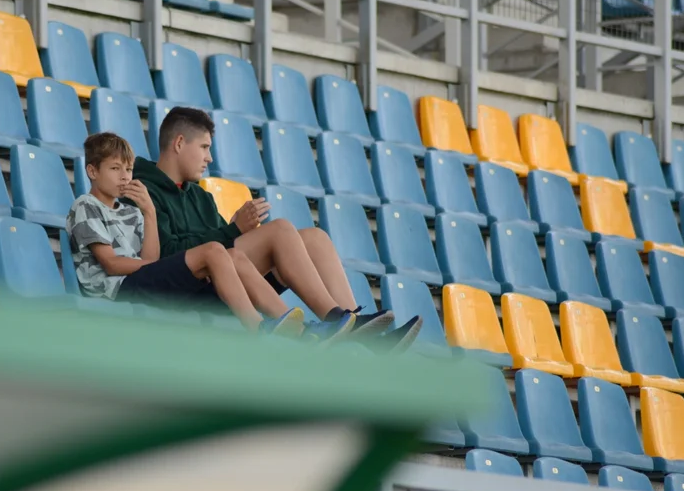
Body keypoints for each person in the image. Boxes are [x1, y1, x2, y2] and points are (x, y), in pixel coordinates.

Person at [131, 106, 421, 348]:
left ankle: (356, 327)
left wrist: (237, 231)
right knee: (280, 229)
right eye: (204, 147)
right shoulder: (143, 189)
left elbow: (222, 244)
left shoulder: (201, 196)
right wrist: (233, 231)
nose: (209, 158)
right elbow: (167, 257)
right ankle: (334, 319)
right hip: (188, 291)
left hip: (228, 281)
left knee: (315, 238)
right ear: (179, 143)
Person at [66, 132, 307, 336]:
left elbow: (151, 256)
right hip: (115, 290)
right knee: (213, 250)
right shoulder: (86, 205)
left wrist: (149, 212)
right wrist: (158, 267)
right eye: (115, 169)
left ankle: (292, 325)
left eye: (128, 169)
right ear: (92, 171)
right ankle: (258, 328)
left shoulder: (131, 211)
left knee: (232, 254)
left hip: (140, 279)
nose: (124, 177)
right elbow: (111, 264)